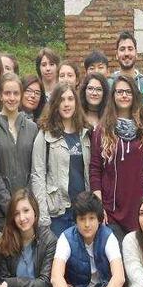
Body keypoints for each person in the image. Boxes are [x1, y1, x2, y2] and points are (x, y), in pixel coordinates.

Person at [90, 75, 143, 239]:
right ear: (113, 96)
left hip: (138, 208)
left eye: (128, 92)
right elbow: (95, 170)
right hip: (111, 209)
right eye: (120, 92)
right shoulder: (102, 130)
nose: (124, 95)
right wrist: (99, 205)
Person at [30, 81, 91, 237]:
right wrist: (43, 217)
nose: (66, 104)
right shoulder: (45, 135)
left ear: (76, 103)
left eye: (70, 99)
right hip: (57, 213)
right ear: (55, 104)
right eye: (61, 99)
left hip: (83, 211)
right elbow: (38, 176)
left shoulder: (86, 134)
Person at [0, 73, 39, 225]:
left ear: (21, 95)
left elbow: (36, 168)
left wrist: (24, 204)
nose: (11, 98)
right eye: (7, 93)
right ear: (0, 95)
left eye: (16, 93)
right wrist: (9, 205)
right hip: (1, 211)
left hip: (27, 209)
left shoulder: (32, 128)